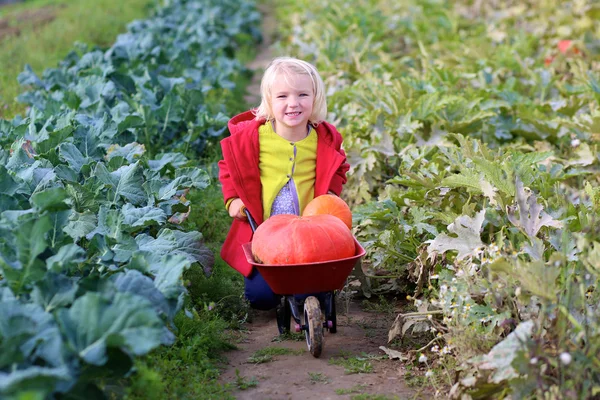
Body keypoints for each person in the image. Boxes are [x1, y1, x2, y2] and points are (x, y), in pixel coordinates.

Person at [218, 56, 350, 311]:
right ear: (269, 101)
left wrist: (330, 195)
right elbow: (229, 167)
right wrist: (233, 199)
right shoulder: (253, 137)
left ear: (315, 98)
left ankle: (307, 295)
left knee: (311, 293)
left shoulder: (323, 139)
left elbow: (339, 168)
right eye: (282, 97)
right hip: (266, 233)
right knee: (262, 298)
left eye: (302, 95)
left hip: (311, 235)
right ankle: (274, 288)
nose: (293, 104)